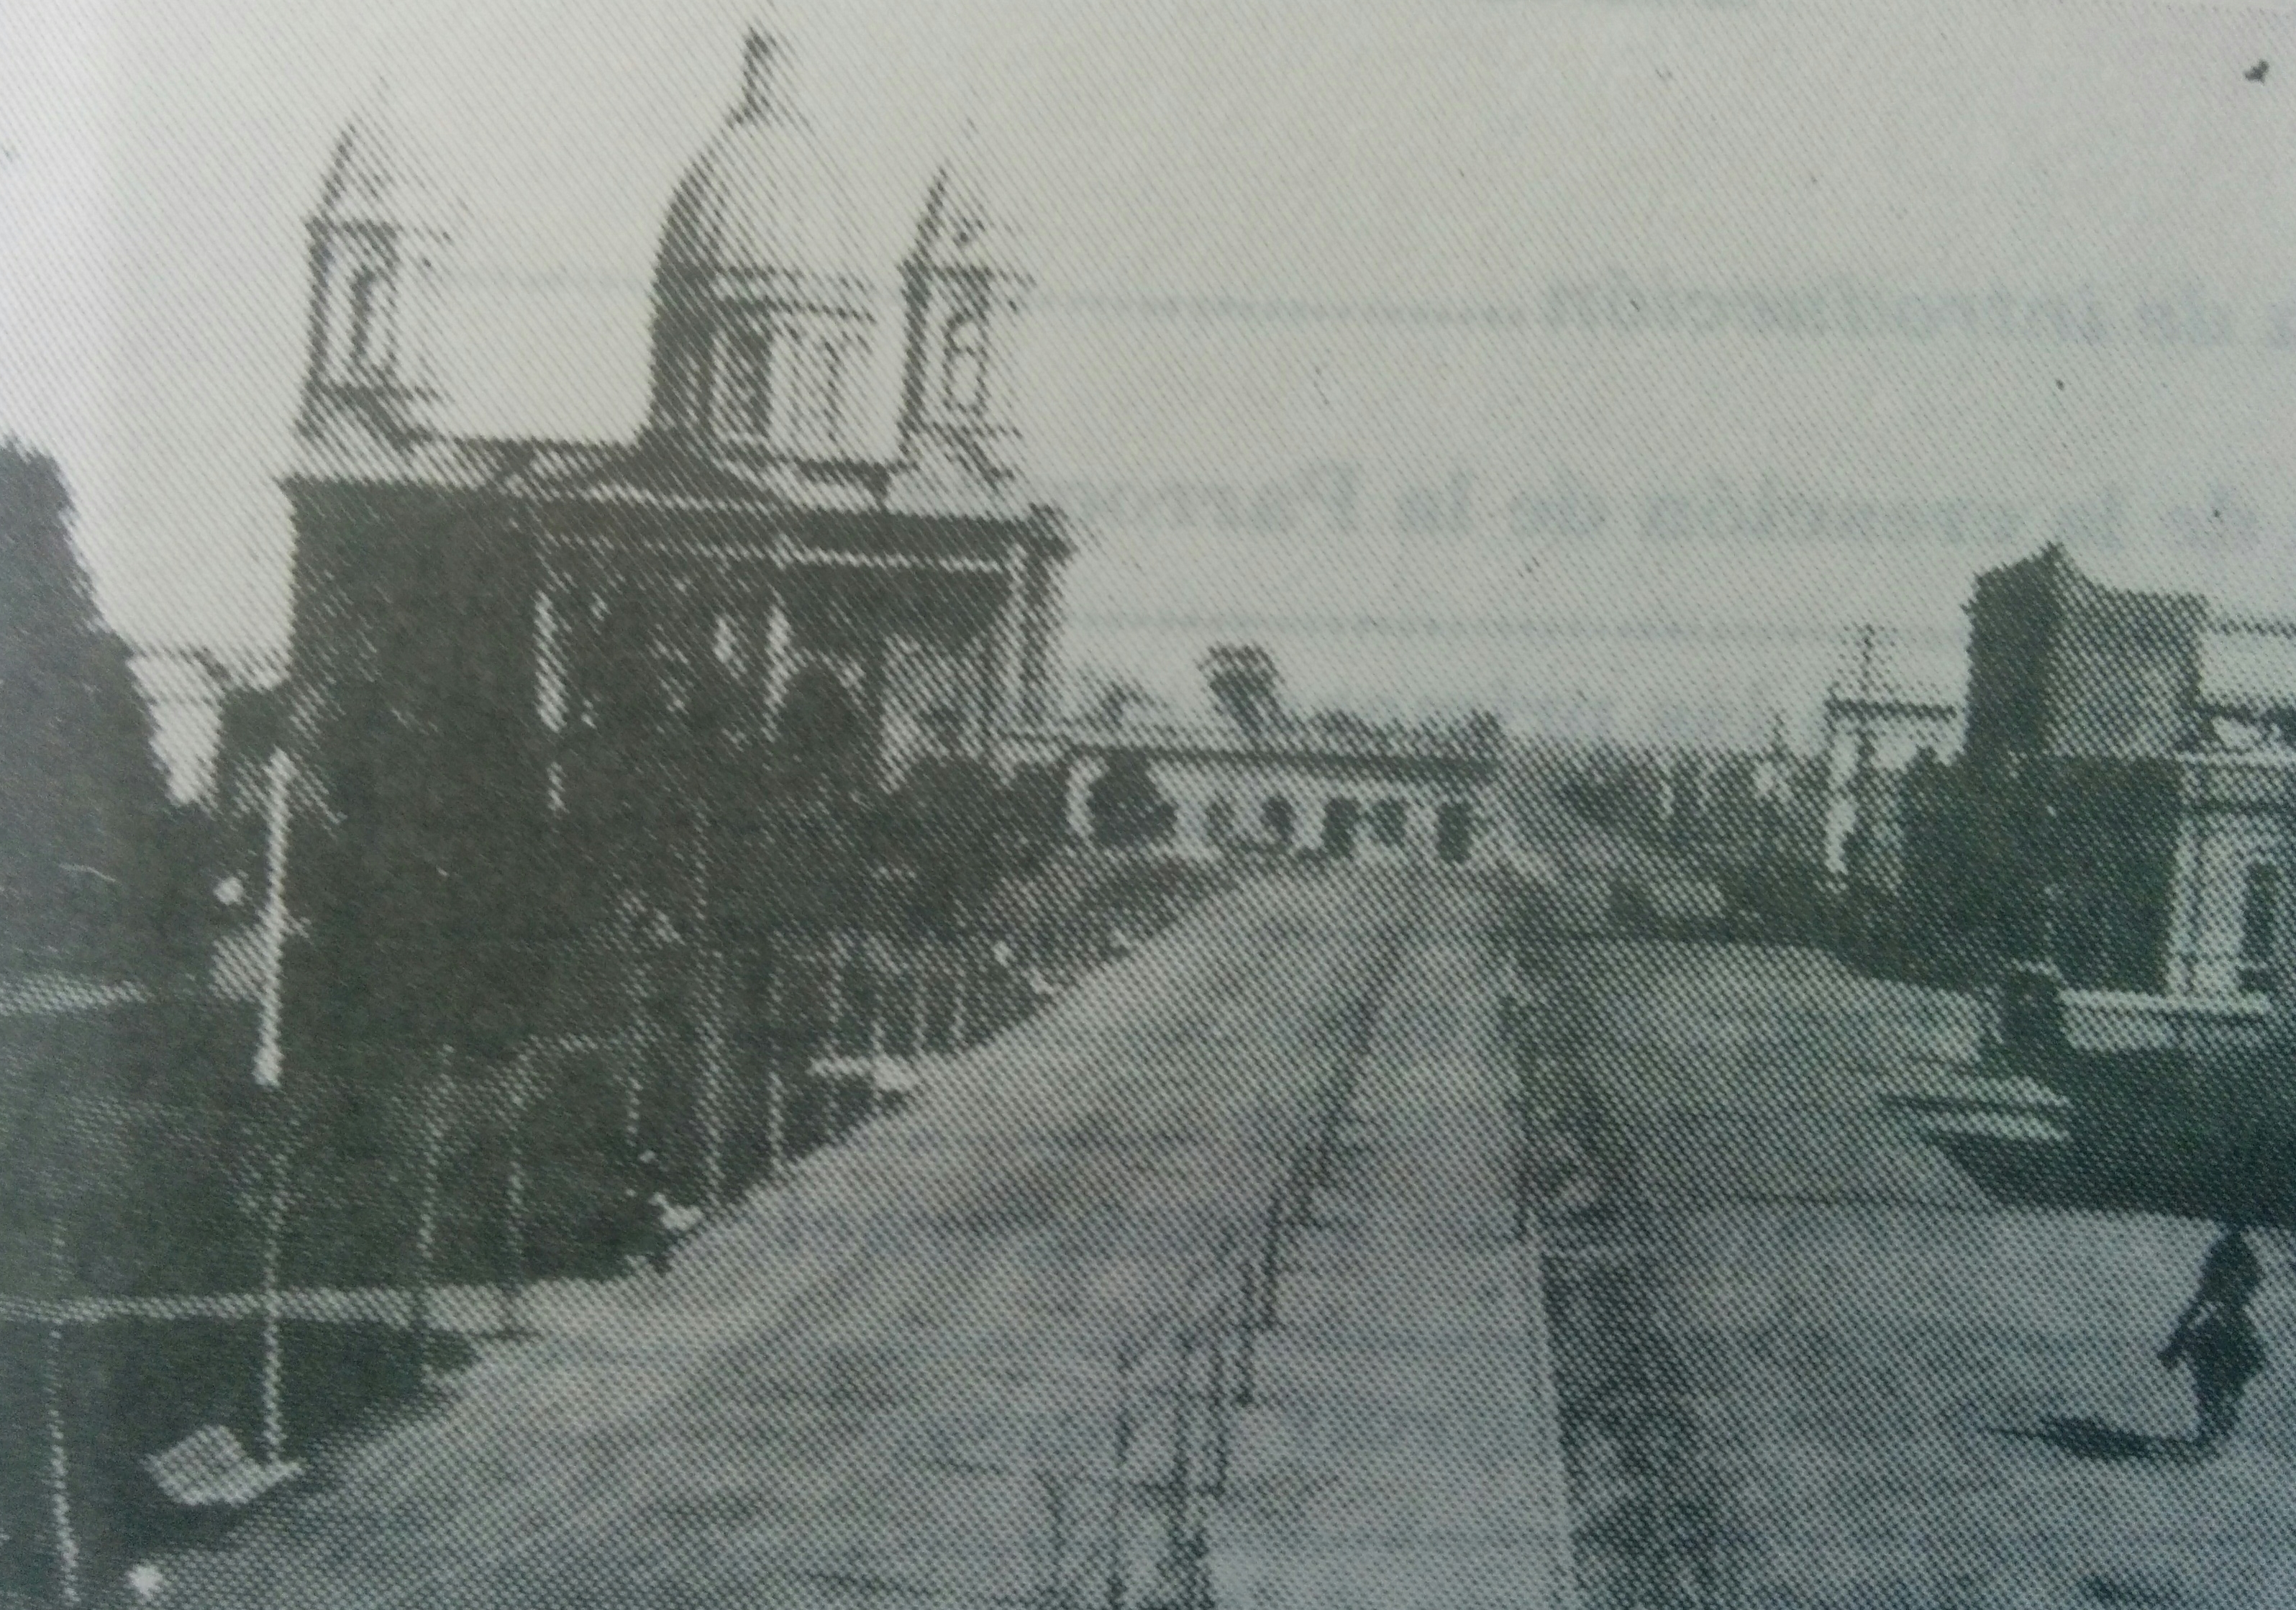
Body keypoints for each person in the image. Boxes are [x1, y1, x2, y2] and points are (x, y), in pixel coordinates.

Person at [2159, 1224, 2267, 1453]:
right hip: (2220, 1338)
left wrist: (2175, 1345)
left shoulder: (2229, 1307)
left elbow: (2196, 1306)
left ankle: (2214, 1431)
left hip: (2223, 1337)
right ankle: (2214, 1431)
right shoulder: (2232, 1305)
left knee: (2217, 1388)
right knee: (2217, 1388)